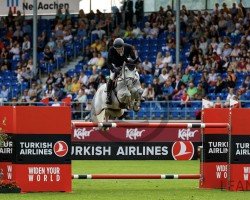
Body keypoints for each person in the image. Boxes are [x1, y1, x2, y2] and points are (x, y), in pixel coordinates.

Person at [106, 37, 140, 104]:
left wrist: (136, 61)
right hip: (115, 66)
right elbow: (108, 62)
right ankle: (108, 96)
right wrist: (114, 69)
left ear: (123, 46)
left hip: (126, 65)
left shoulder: (129, 47)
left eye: (120, 49)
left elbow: (133, 58)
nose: (118, 51)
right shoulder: (111, 50)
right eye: (117, 49)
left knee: (135, 74)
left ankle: (138, 92)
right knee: (111, 77)